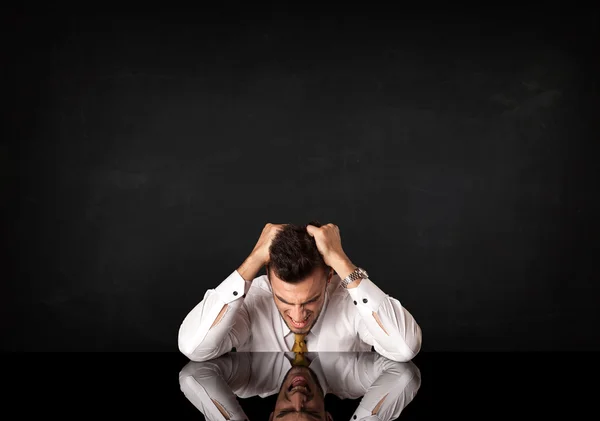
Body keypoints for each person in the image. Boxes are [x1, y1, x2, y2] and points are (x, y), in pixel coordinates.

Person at [178, 222, 422, 362]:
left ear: (329, 277)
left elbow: (405, 348)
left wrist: (341, 261)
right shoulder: (252, 300)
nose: (297, 315)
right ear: (269, 280)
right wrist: (253, 260)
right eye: (284, 301)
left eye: (311, 300)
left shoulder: (349, 300)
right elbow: (193, 348)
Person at [178, 351, 422, 421]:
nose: (298, 398)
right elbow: (404, 374)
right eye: (310, 411)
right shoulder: (351, 378)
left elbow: (193, 375)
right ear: (328, 418)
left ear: (272, 417)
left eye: (285, 411)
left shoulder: (250, 378)